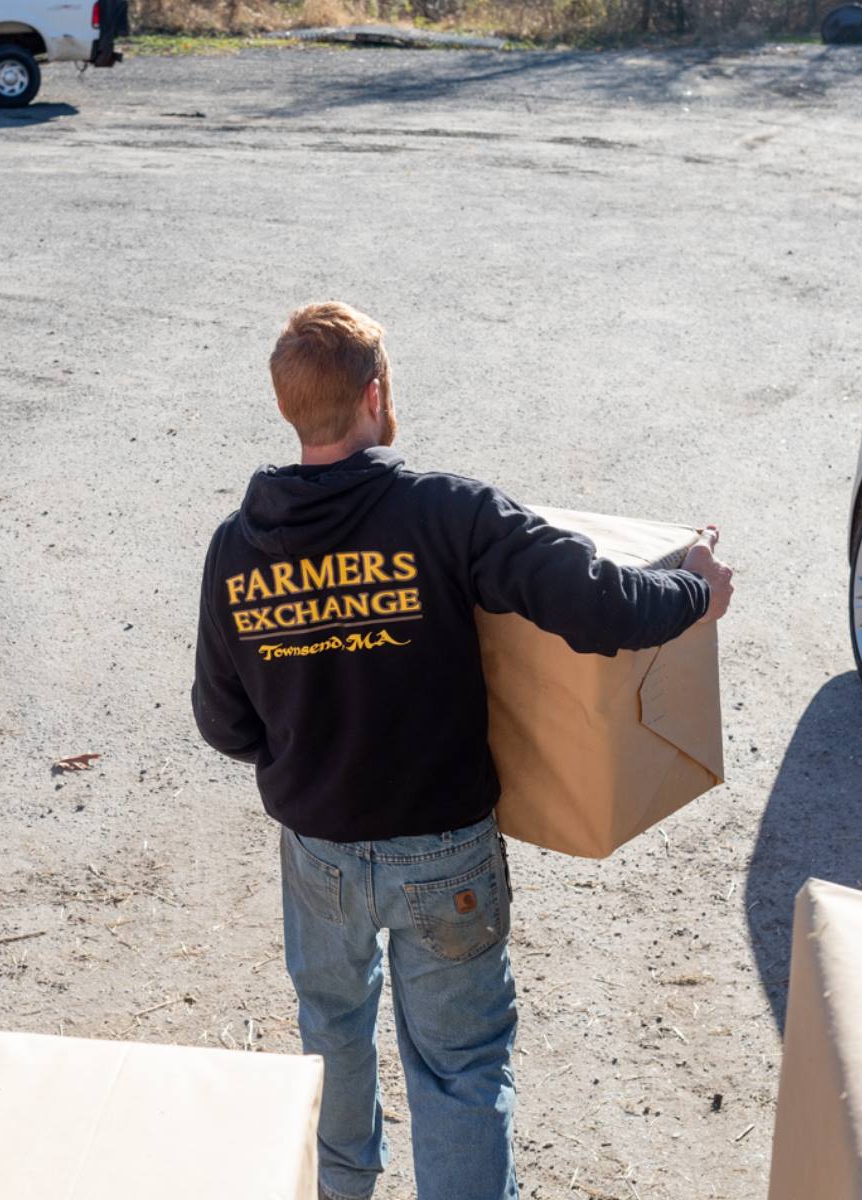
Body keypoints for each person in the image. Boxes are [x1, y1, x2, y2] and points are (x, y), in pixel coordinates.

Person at [191, 302, 734, 1200]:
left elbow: (223, 721)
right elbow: (596, 604)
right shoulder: (445, 514)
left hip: (318, 853)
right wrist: (694, 591)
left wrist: (311, 750)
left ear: (292, 407)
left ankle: (338, 1188)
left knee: (330, 1033)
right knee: (460, 1068)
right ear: (375, 395)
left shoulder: (236, 550)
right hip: (445, 853)